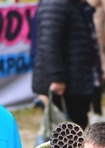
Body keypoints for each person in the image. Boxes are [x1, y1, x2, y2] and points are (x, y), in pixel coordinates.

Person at [32, 0, 99, 129]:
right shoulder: (55, 3)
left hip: (76, 81)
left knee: (78, 127)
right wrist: (57, 78)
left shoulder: (74, 4)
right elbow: (49, 43)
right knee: (68, 133)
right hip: (65, 86)